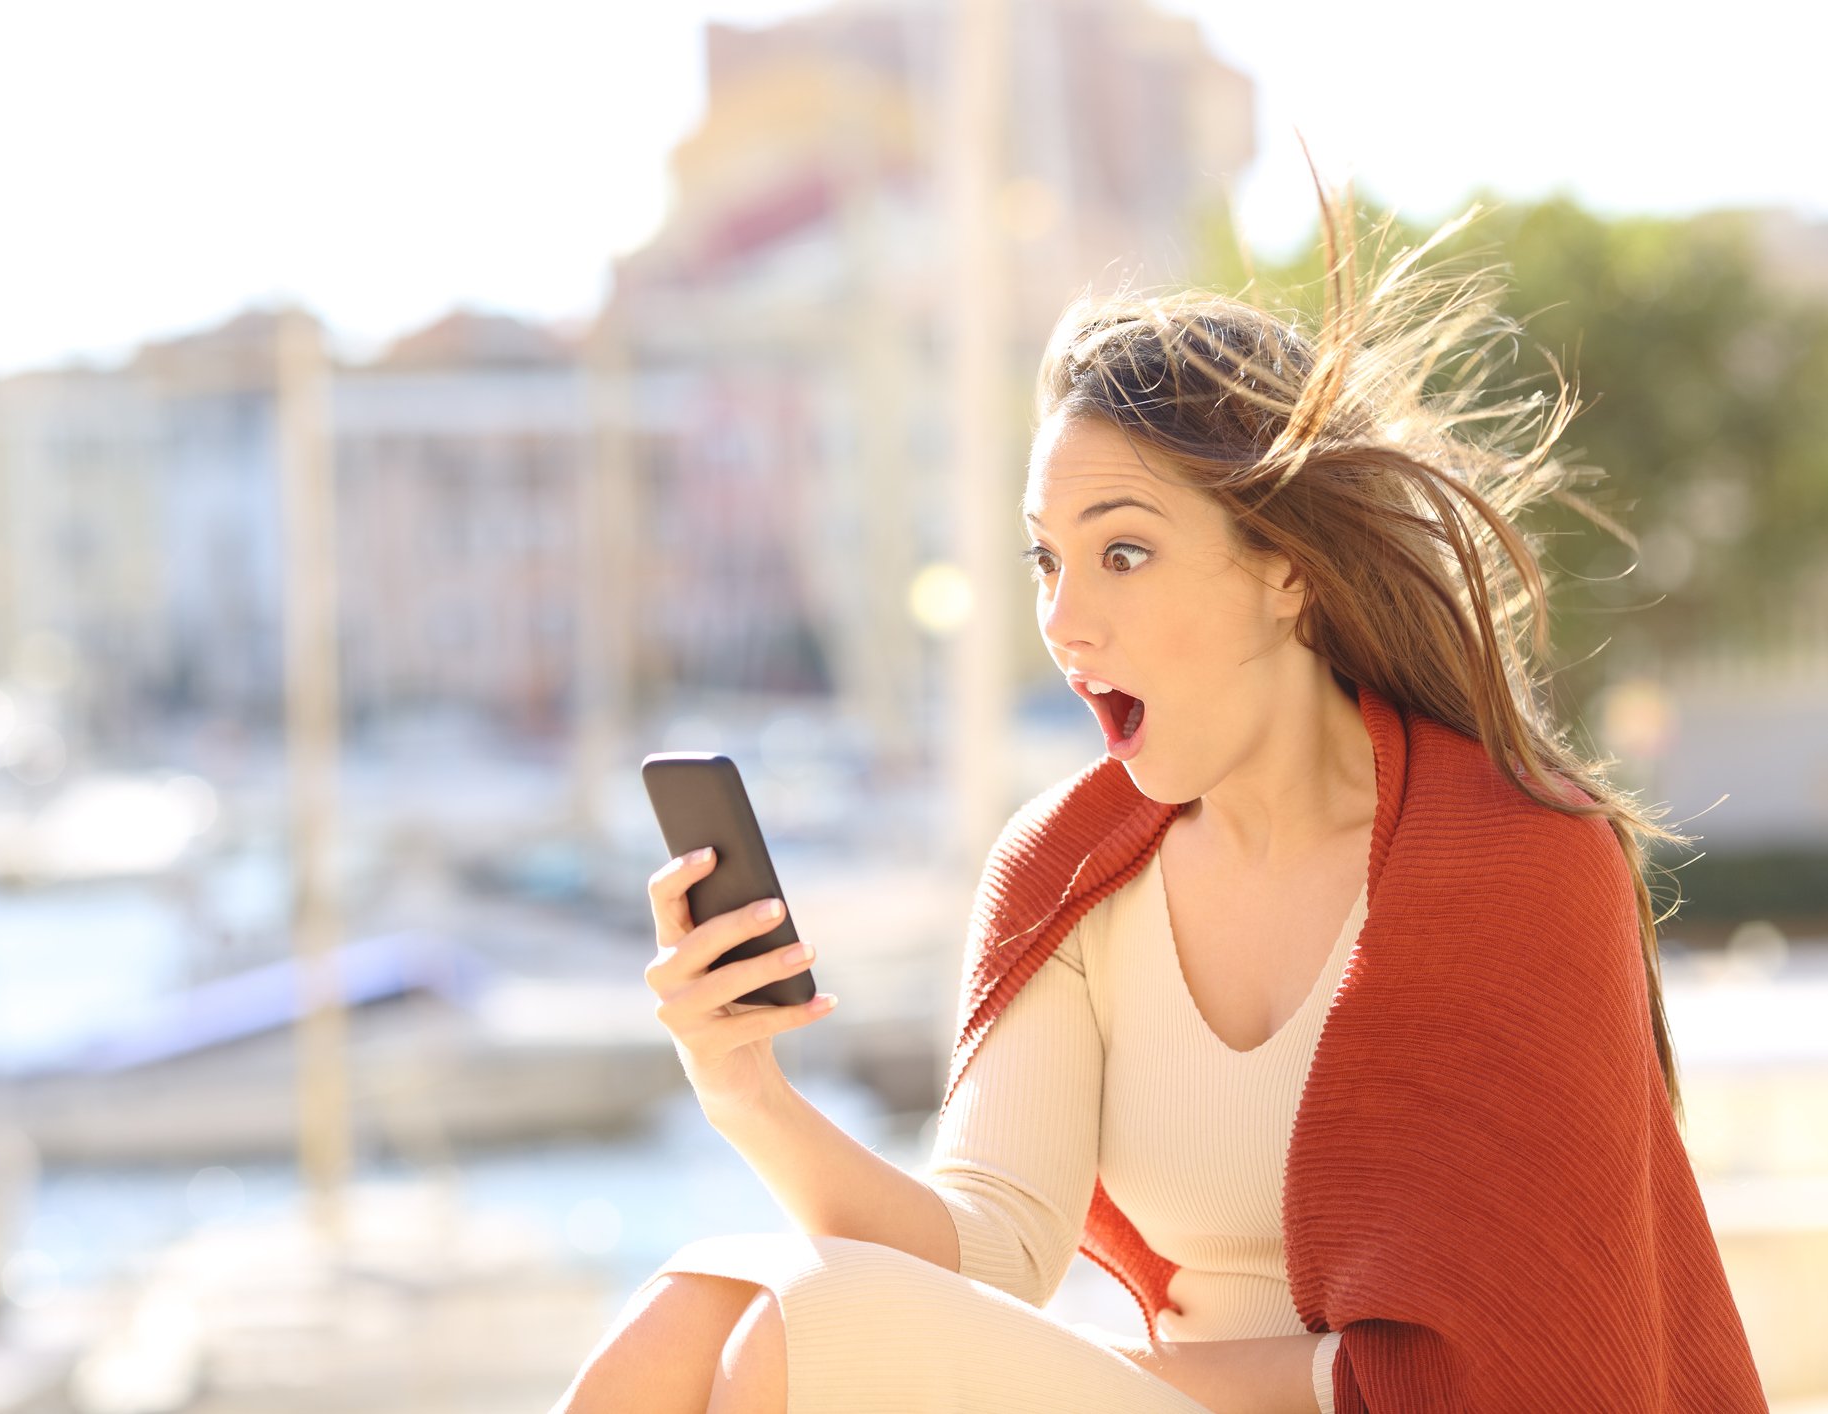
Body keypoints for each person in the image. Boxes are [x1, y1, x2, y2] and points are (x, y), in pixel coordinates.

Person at [553, 172, 1766, 1412]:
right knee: (692, 1313)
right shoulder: (1065, 873)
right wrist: (743, 1092)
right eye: (1045, 559)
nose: (1065, 620)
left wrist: (1135, 1371)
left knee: (797, 1330)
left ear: (1284, 574)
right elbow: (991, 1249)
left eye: (1123, 552)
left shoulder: (1520, 862)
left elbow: (1503, 1356)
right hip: (1165, 1394)